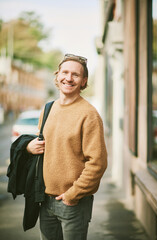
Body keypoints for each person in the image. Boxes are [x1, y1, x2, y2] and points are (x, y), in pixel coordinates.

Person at [26, 53, 108, 240]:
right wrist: (29, 147)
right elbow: (44, 147)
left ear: (83, 81)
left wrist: (73, 194)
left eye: (75, 75)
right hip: (45, 200)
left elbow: (98, 163)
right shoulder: (48, 109)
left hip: (73, 203)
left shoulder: (89, 115)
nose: (68, 78)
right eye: (65, 72)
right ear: (57, 76)